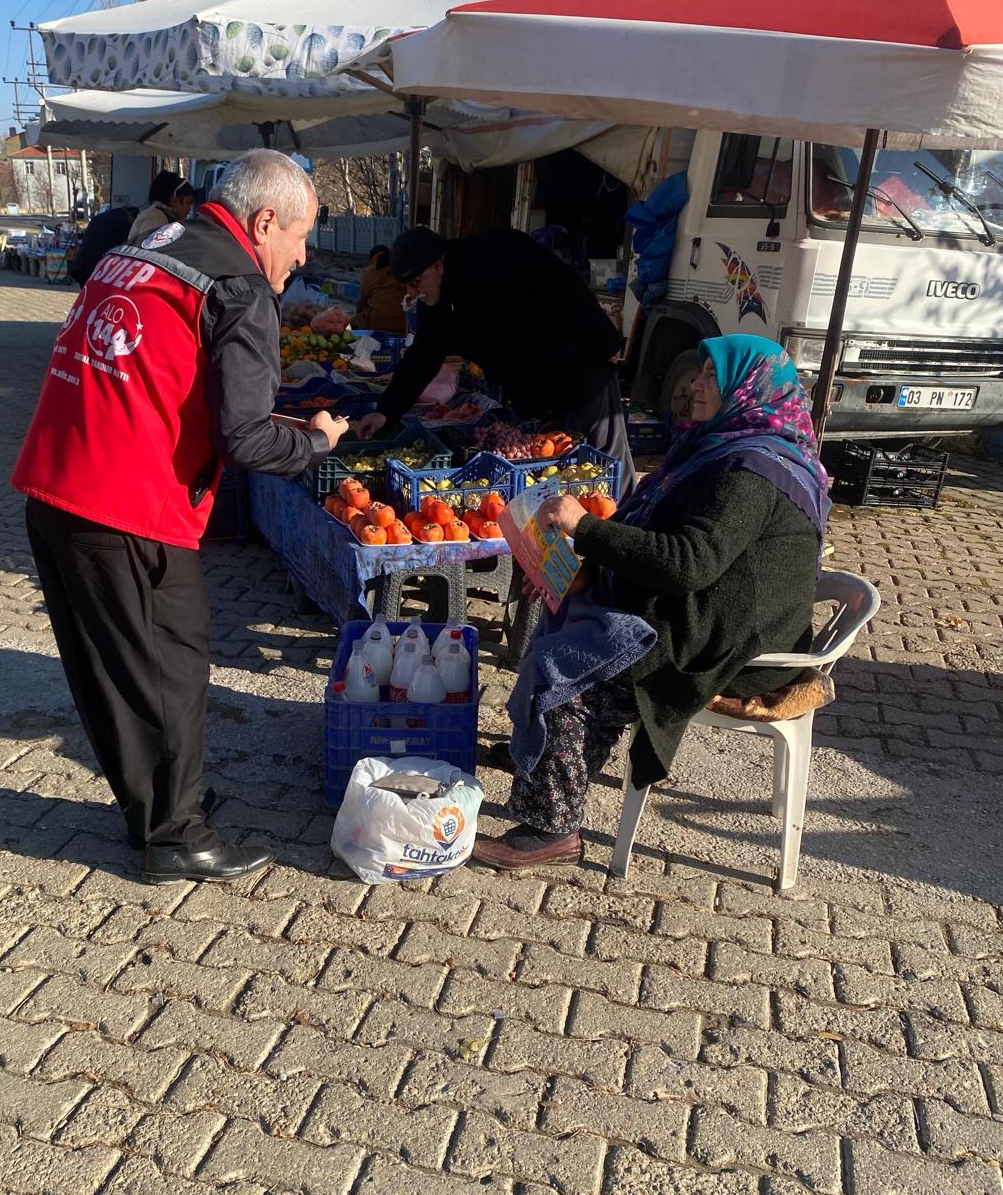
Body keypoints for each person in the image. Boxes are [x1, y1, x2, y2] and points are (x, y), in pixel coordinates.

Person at [12, 150, 346, 884]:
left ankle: (159, 805)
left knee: (111, 669)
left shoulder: (143, 249)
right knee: (172, 666)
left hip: (54, 485)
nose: (302, 256)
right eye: (301, 237)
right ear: (265, 222)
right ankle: (173, 836)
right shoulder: (239, 286)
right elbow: (245, 439)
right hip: (126, 505)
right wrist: (317, 443)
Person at [473, 336, 828, 870]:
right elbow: (672, 551)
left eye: (713, 377)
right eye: (700, 372)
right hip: (711, 609)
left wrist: (585, 528)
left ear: (746, 389)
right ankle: (543, 753)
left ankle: (551, 830)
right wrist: (585, 572)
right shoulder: (721, 448)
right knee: (569, 610)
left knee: (569, 666)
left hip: (733, 643)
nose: (696, 385)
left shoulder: (752, 472)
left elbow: (687, 563)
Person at [355, 225, 634, 496]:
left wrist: (605, 343)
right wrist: (386, 411)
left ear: (437, 266)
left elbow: (566, 287)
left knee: (606, 474)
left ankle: (628, 520)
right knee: (558, 483)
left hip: (580, 376)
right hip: (534, 397)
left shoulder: (498, 251)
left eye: (414, 282)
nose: (412, 293)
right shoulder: (437, 305)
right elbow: (422, 357)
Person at [69, 203, 138, 286]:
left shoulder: (108, 217)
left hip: (83, 264)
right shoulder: (121, 222)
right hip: (93, 268)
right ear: (132, 216)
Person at [127, 171, 195, 244]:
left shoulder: (160, 215)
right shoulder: (156, 218)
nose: (189, 209)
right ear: (175, 199)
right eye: (188, 202)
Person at [354, 244, 406, 334]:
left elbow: (362, 301)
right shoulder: (401, 270)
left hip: (375, 323)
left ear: (371, 260)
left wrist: (358, 315)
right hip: (403, 324)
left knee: (348, 326)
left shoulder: (370, 272)